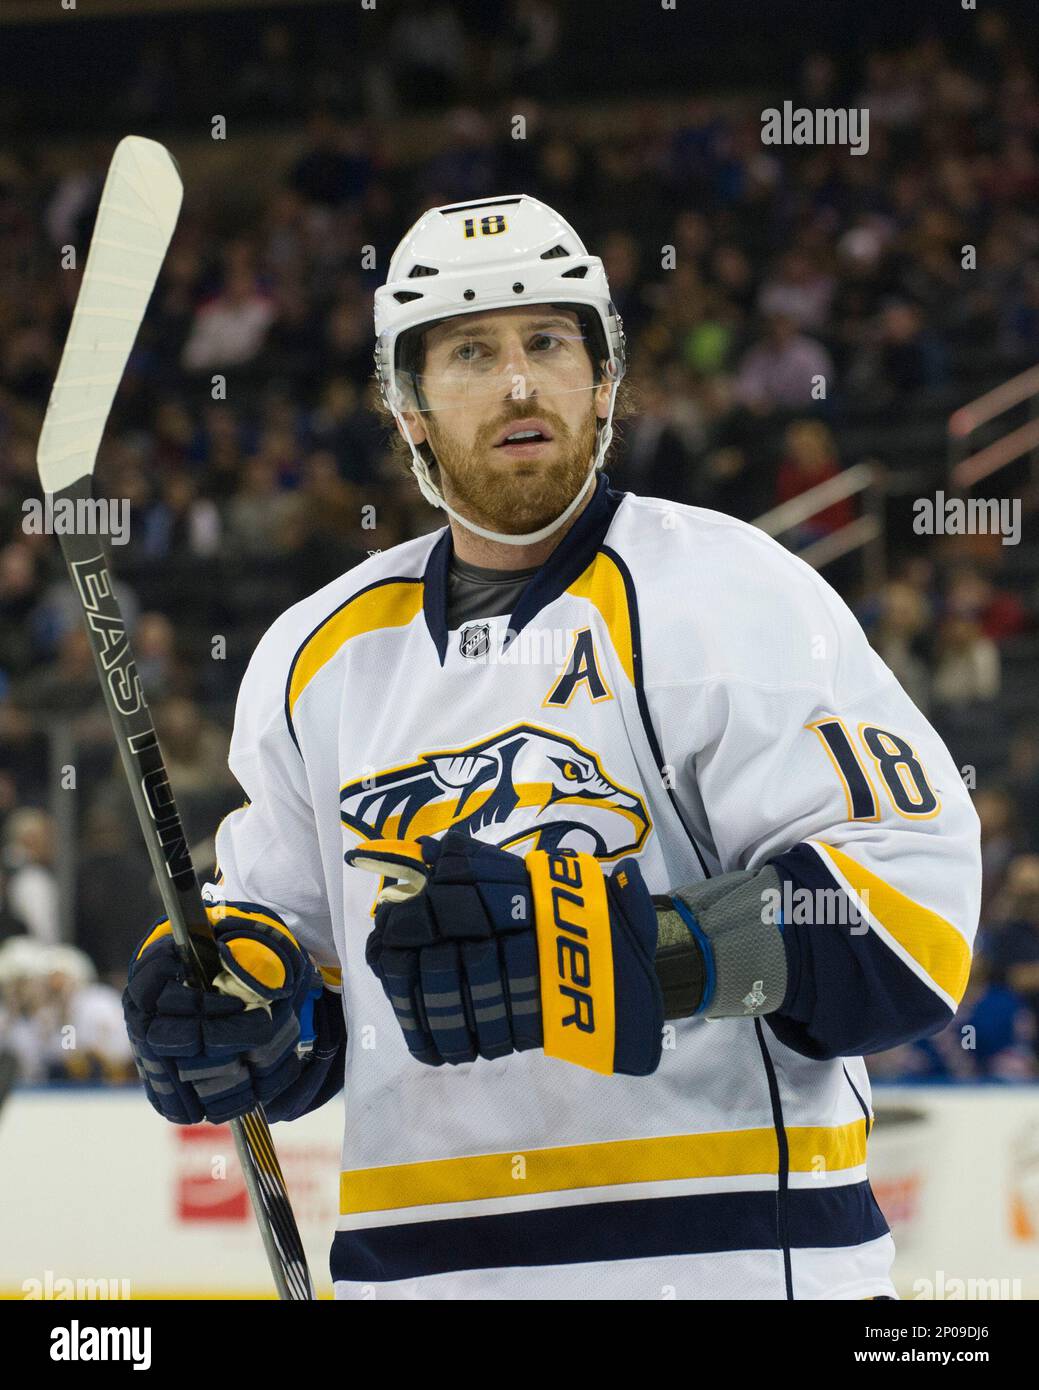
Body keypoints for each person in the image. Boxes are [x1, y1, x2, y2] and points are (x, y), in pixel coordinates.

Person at [123, 195, 980, 1301]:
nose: (520, 382)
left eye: (548, 342)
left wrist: (621, 955)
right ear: (409, 408)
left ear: (605, 379)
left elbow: (907, 921)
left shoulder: (733, 593)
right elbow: (300, 975)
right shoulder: (313, 658)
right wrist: (226, 1005)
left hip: (729, 1268)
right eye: (472, 351)